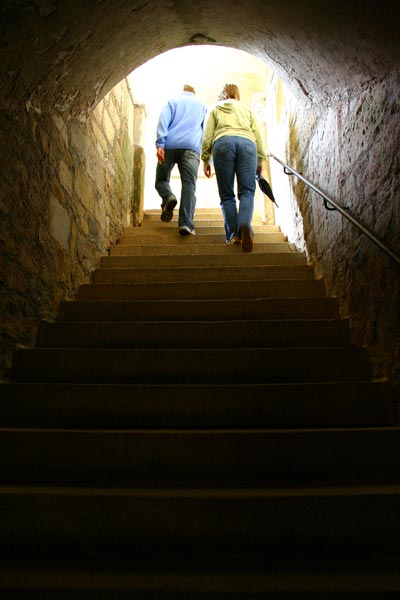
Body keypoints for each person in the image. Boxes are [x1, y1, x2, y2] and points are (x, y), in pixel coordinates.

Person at [201, 83, 267, 252]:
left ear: (222, 96)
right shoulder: (247, 109)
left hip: (223, 144)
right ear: (237, 95)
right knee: (247, 191)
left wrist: (205, 159)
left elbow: (207, 135)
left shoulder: (215, 108)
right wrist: (260, 160)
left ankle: (234, 235)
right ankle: (244, 222)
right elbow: (258, 134)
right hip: (247, 144)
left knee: (226, 195)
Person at [155, 85, 207, 235]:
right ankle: (186, 224)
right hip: (191, 149)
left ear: (182, 91)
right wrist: (205, 156)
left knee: (161, 180)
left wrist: (160, 144)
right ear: (194, 92)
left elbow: (163, 121)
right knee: (189, 185)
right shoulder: (202, 106)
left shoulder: (173, 101)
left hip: (169, 146)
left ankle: (168, 196)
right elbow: (206, 131)